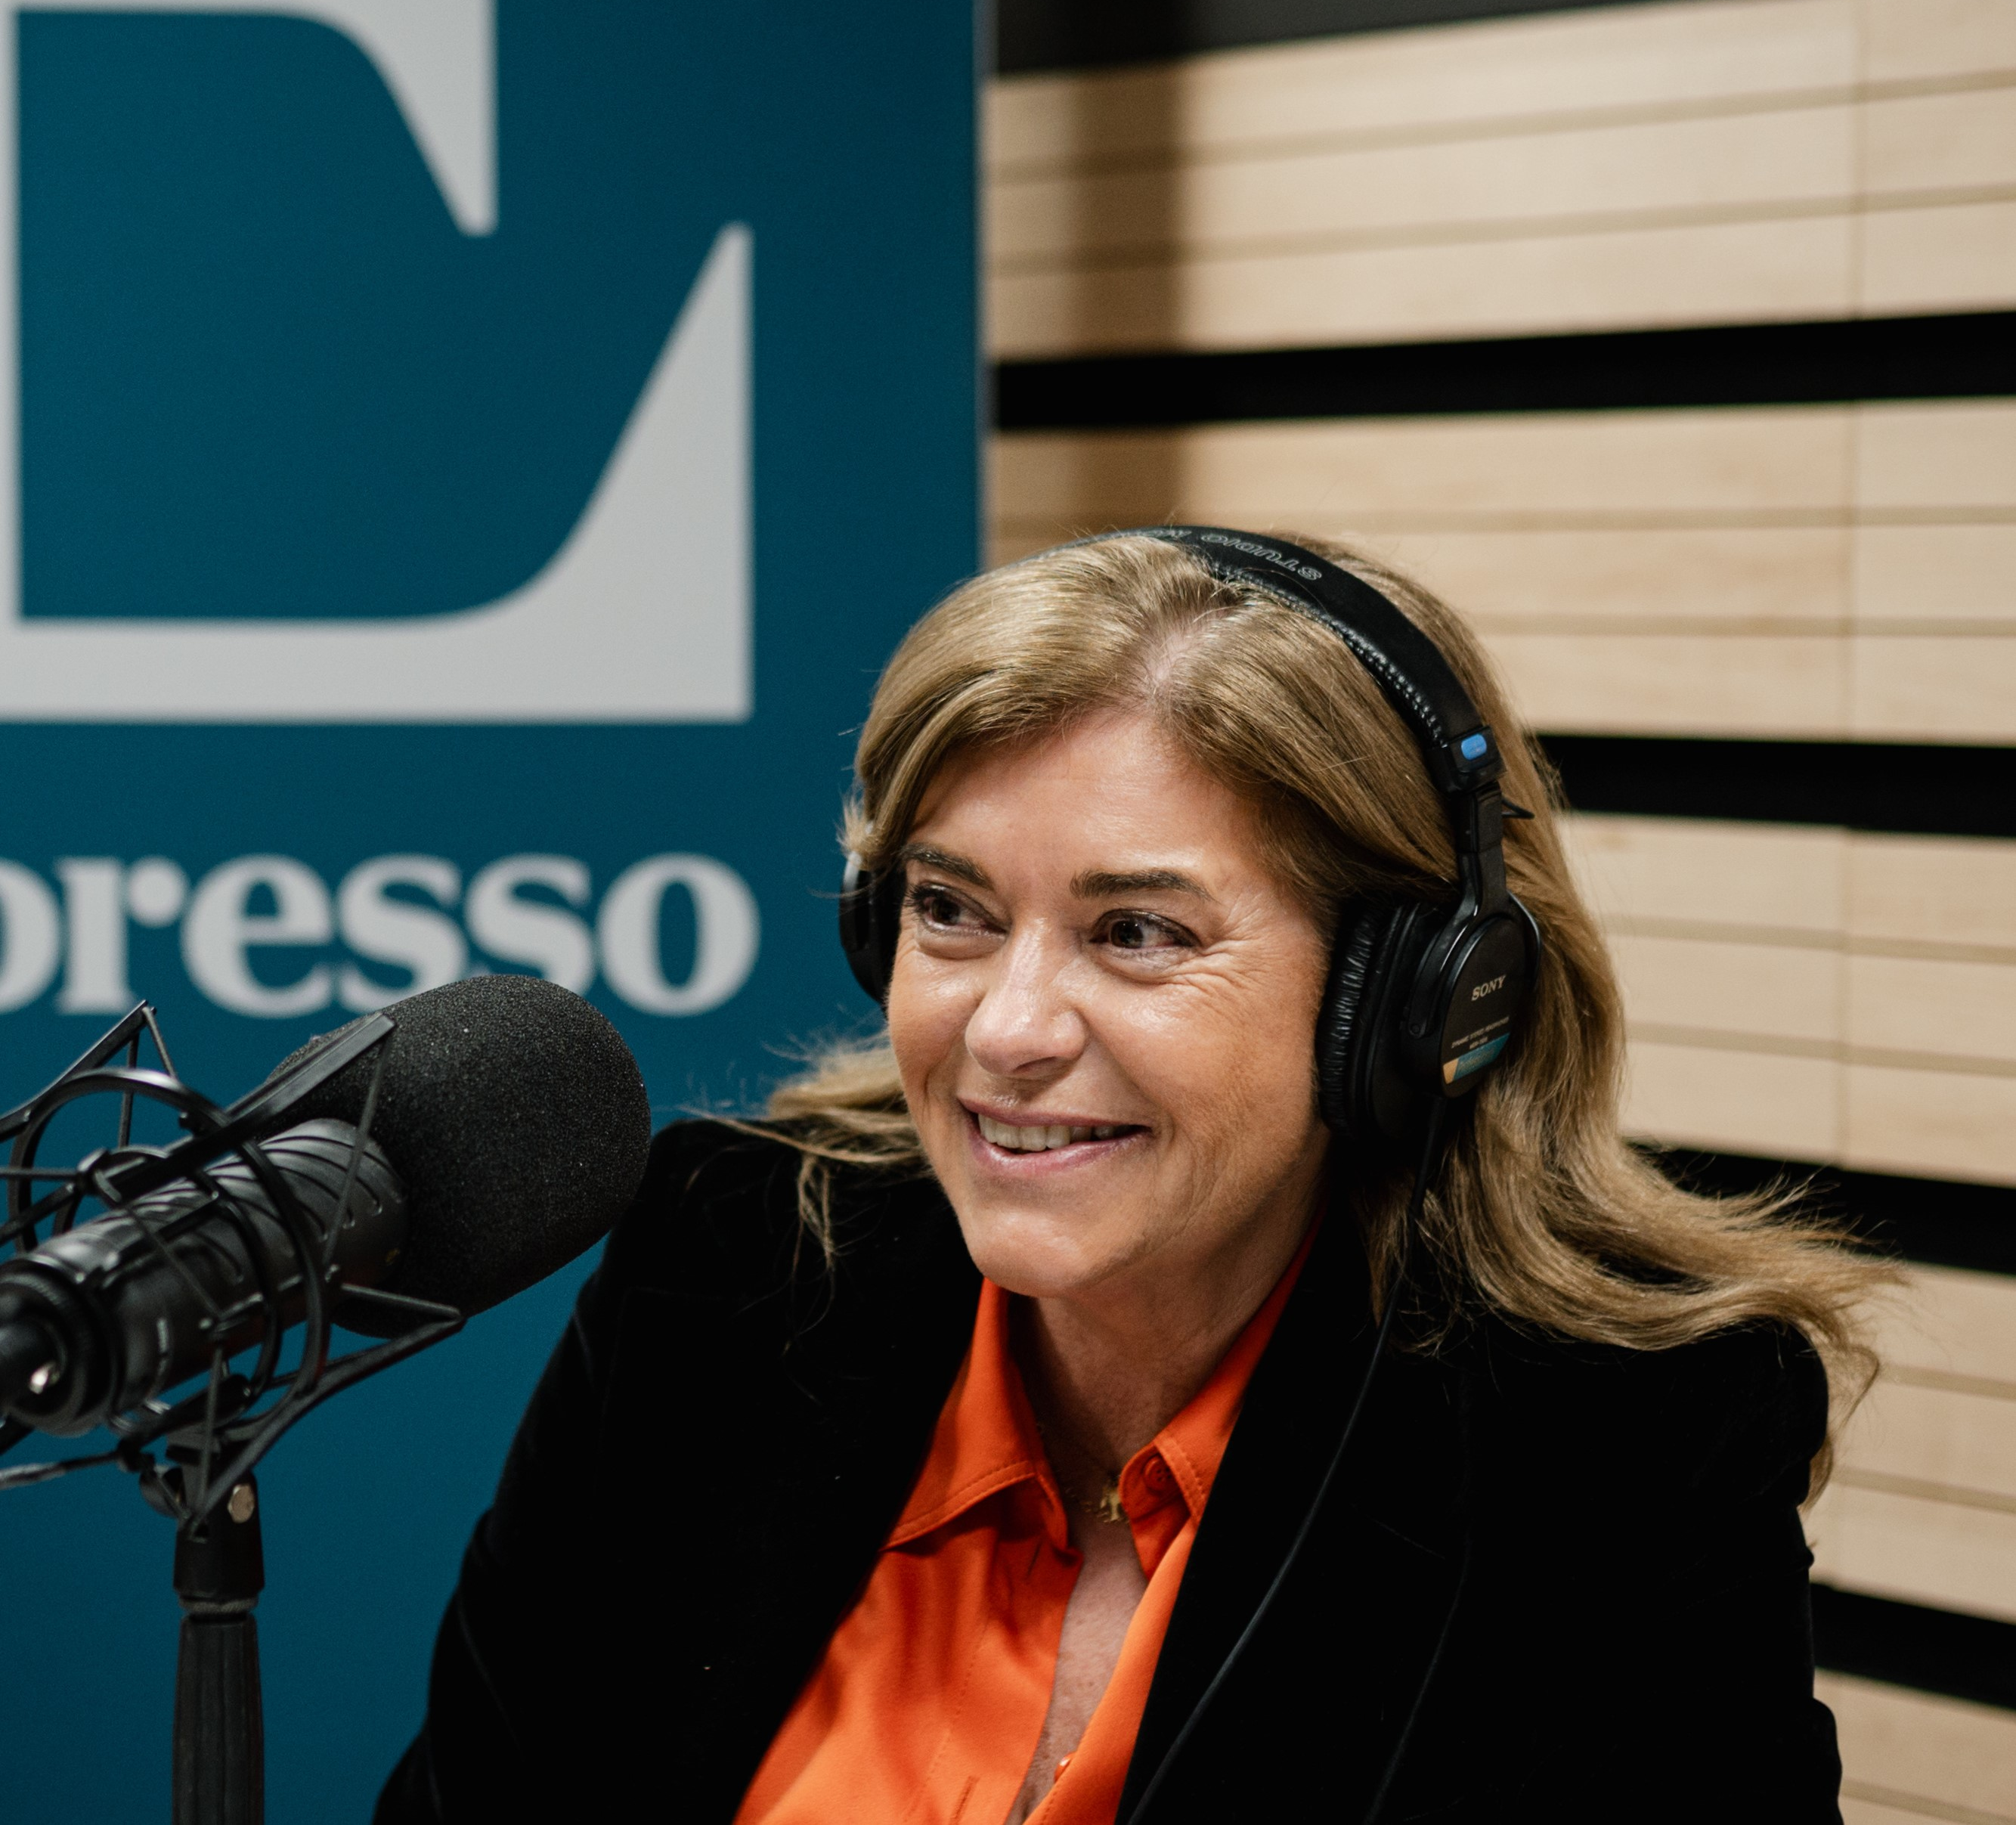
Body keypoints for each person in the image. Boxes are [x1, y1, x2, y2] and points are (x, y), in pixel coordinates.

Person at [375, 527, 1884, 1825]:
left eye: (1138, 933)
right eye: (952, 909)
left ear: (1406, 1003)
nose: (1008, 1030)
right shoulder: (730, 1261)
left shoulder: (1625, 1442)